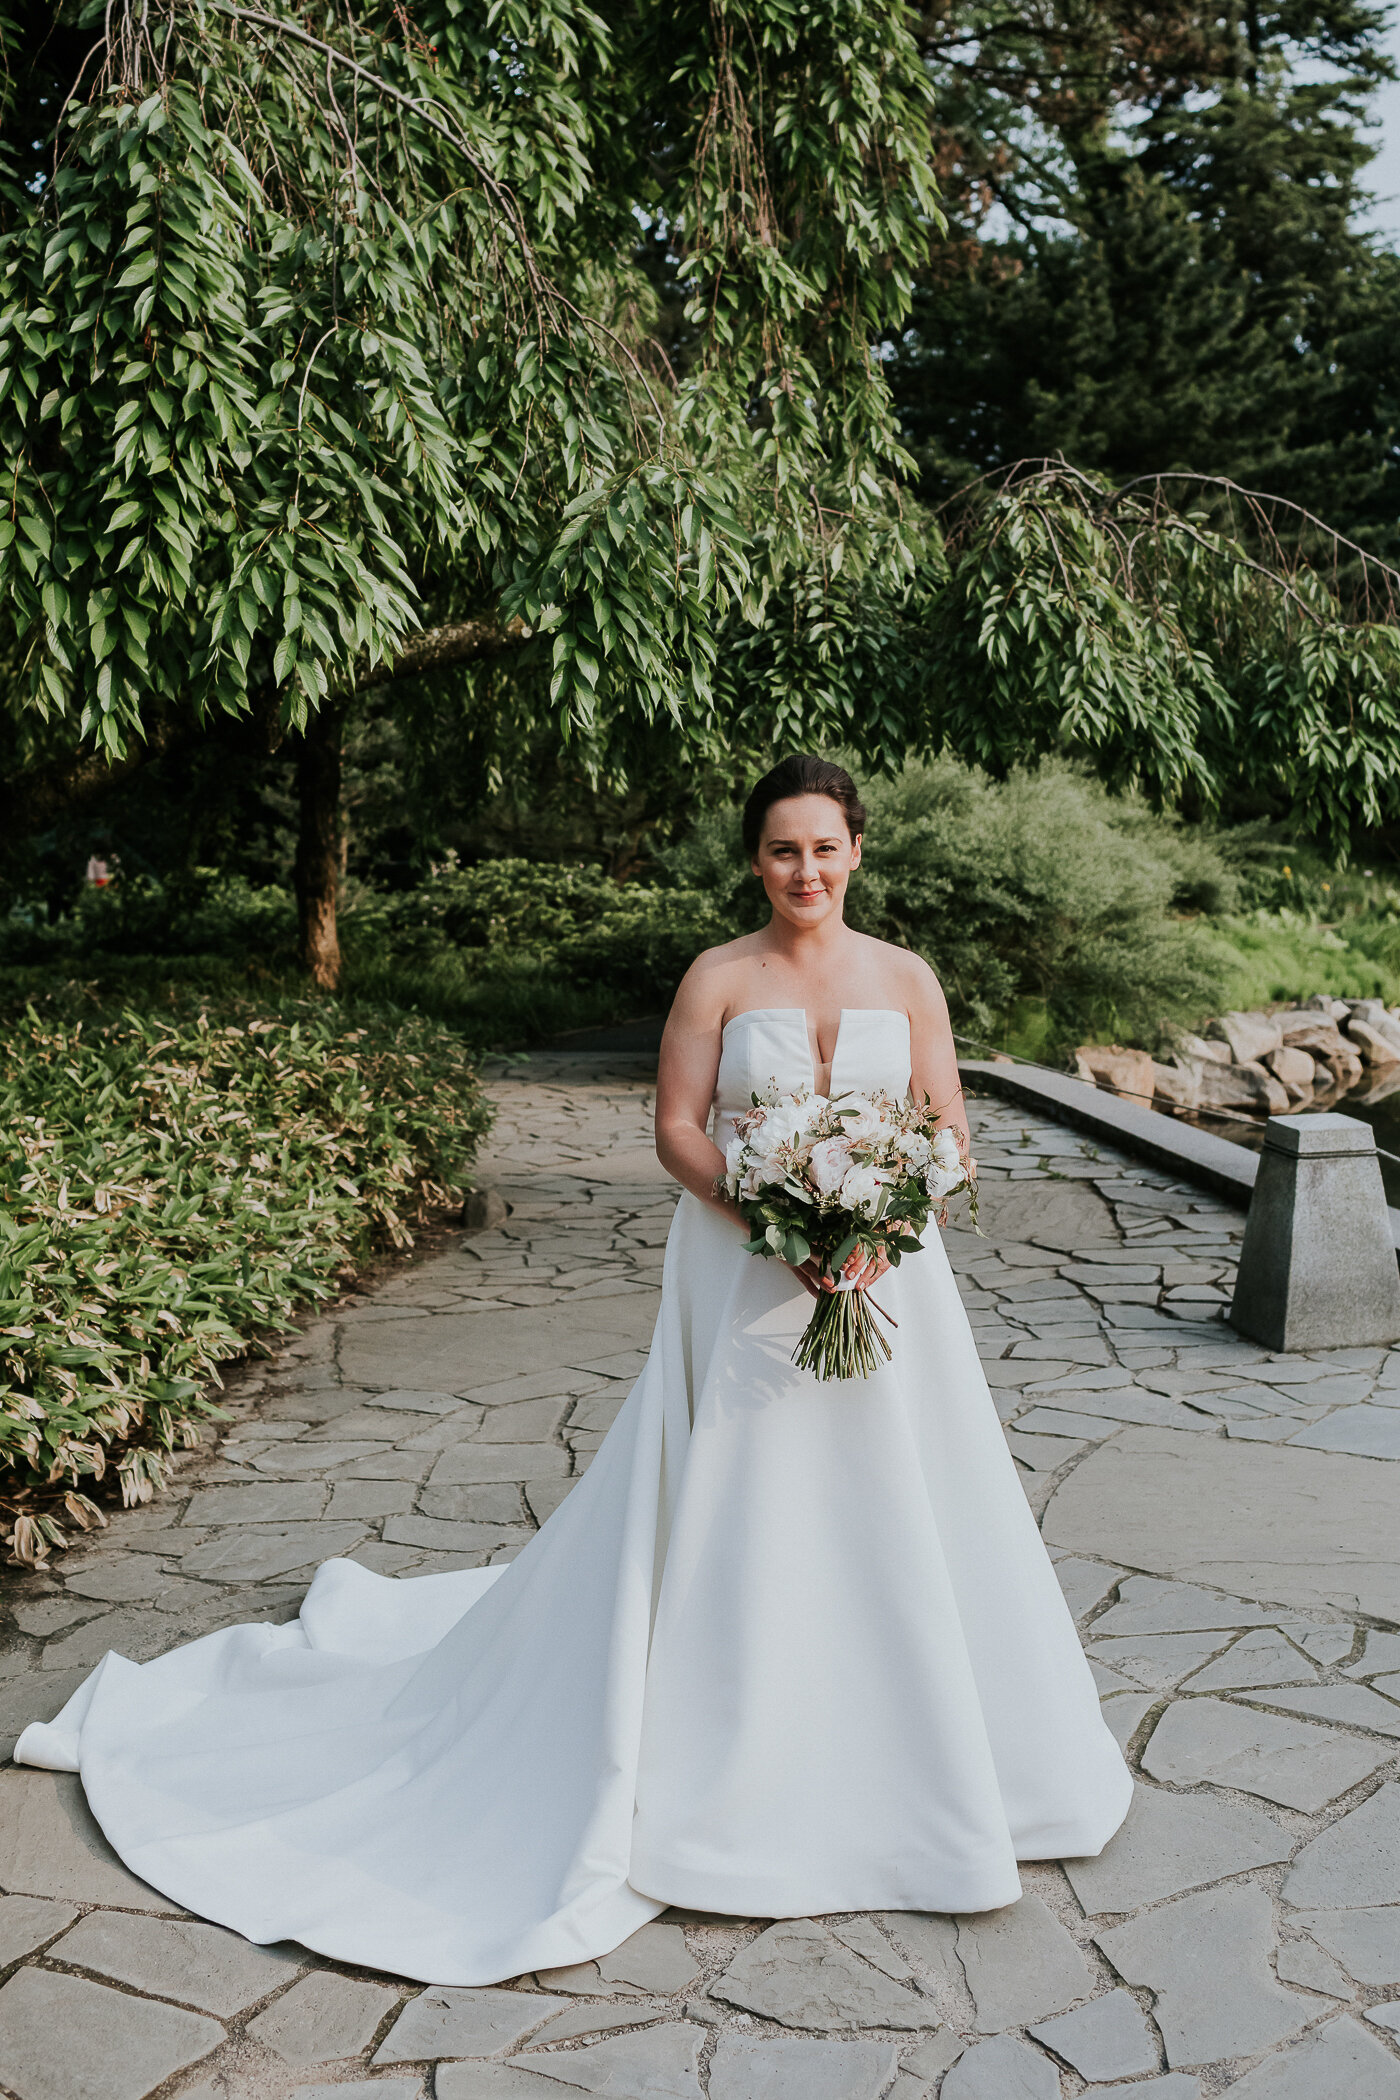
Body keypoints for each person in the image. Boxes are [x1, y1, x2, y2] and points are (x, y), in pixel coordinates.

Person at [15, 753, 1131, 1984]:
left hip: (887, 1276)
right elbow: (675, 1130)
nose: (802, 871)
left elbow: (948, 1137)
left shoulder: (907, 978)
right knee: (741, 1497)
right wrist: (773, 1217)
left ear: (856, 851)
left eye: (822, 847)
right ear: (752, 861)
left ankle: (911, 1746)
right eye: (778, 850)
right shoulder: (717, 976)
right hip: (742, 1272)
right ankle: (724, 1747)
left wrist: (868, 1232)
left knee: (898, 1497)